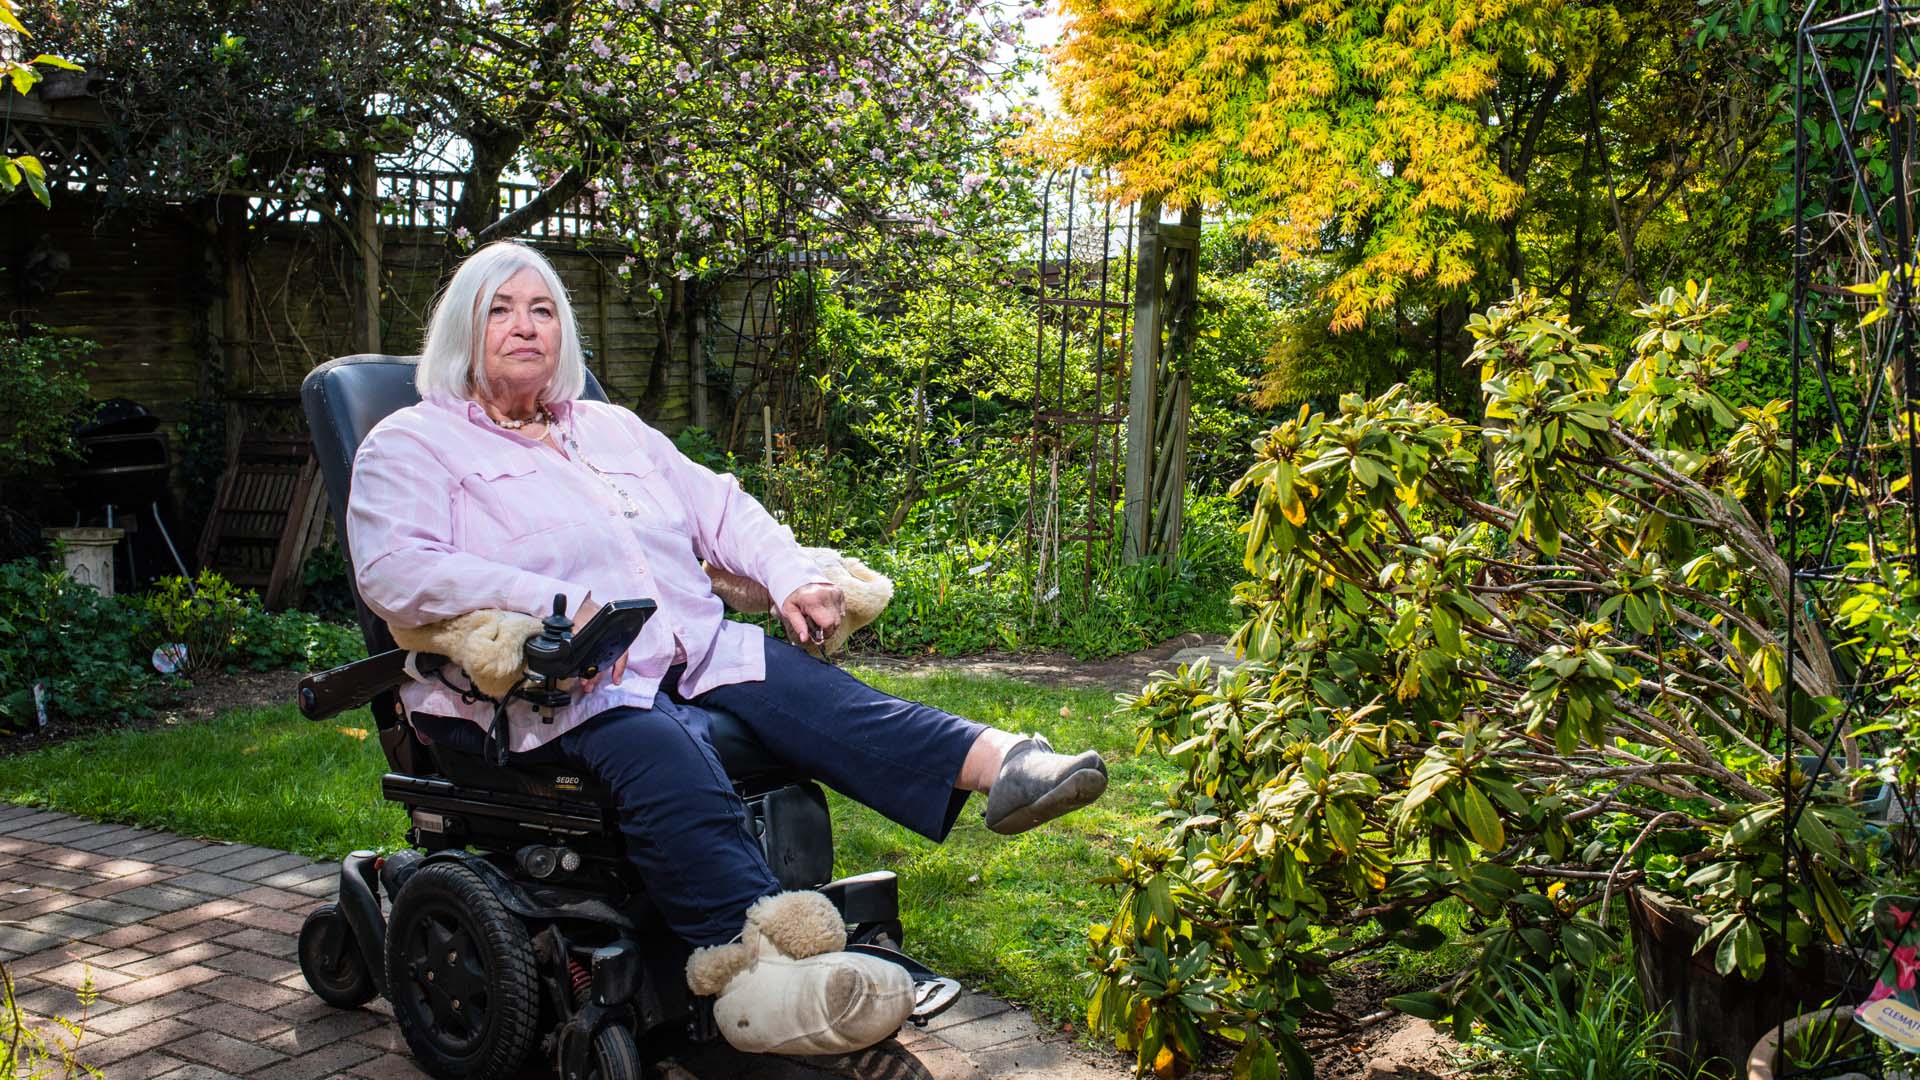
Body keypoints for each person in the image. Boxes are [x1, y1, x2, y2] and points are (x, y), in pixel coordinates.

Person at [346, 241, 1108, 1054]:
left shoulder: (609, 430)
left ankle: (1006, 767)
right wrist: (553, 607)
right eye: (501, 310)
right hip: (549, 688)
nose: (525, 326)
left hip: (685, 650)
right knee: (659, 748)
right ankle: (763, 977)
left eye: (542, 310)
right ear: (464, 329)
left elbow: (721, 508)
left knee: (815, 696)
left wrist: (788, 576)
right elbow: (396, 569)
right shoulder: (413, 444)